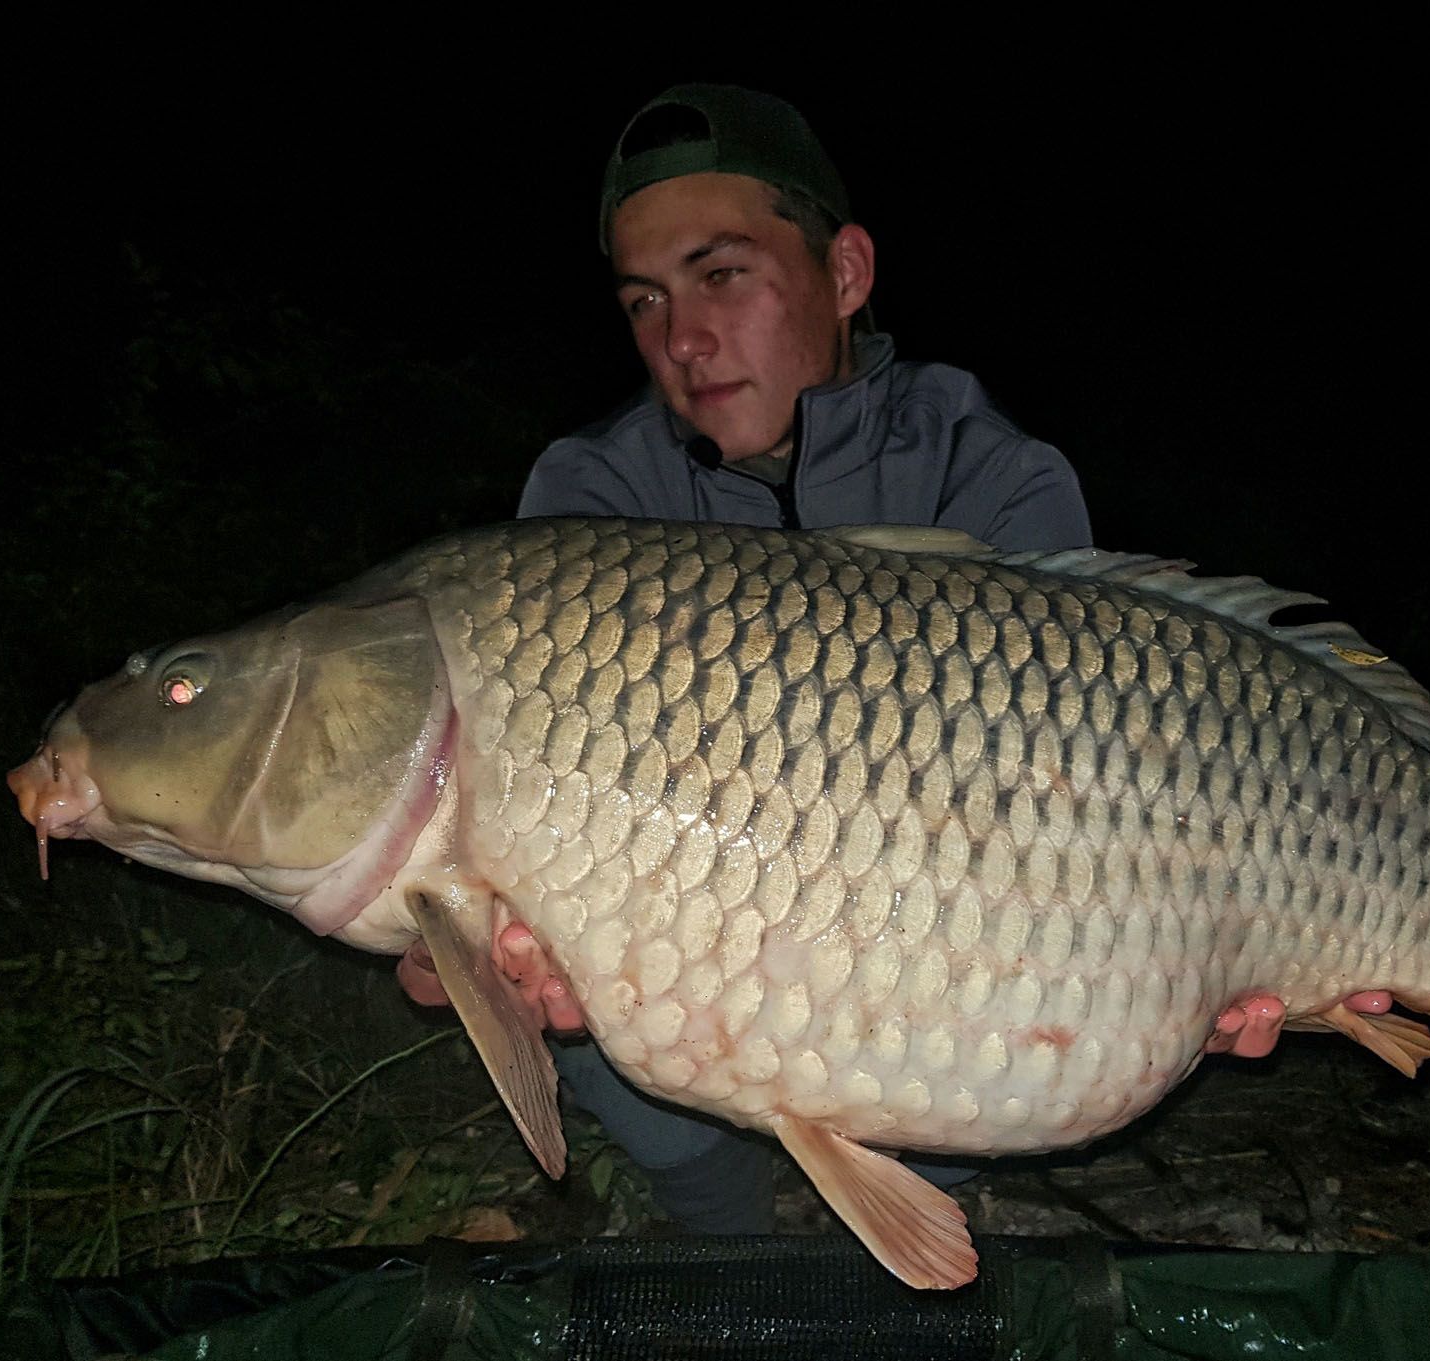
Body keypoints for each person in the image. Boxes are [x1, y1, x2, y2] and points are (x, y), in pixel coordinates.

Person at [408, 83, 1095, 1235]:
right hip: (701, 969)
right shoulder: (592, 500)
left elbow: (1097, 787)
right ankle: (720, 1227)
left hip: (951, 936)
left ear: (847, 272)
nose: (681, 339)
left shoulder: (995, 474)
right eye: (645, 300)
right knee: (588, 945)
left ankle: (927, 1197)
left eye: (723, 275)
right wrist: (466, 945)